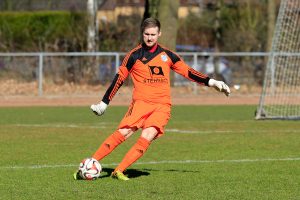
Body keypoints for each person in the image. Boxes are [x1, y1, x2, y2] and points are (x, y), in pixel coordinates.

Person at [73, 17, 230, 181]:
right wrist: (104, 103)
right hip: (140, 103)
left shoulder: (168, 55)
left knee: (147, 135)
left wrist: (212, 82)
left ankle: (118, 171)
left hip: (162, 106)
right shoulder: (133, 56)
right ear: (142, 33)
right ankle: (90, 164)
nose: (149, 37)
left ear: (159, 34)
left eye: (153, 34)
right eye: (147, 34)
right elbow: (119, 79)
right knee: (124, 133)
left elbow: (188, 72)